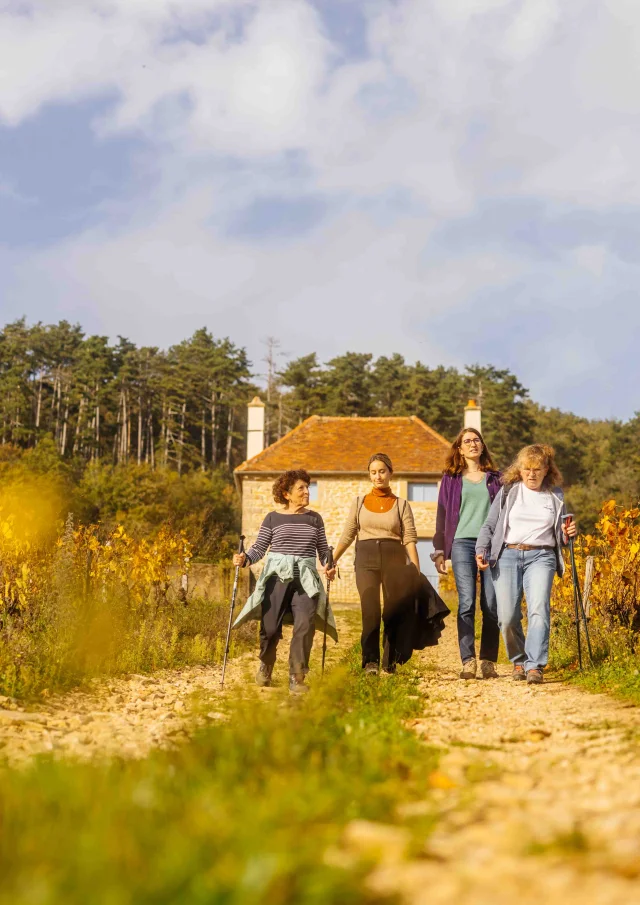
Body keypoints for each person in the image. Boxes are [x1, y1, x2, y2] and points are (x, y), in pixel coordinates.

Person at [475, 444, 577, 686]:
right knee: (507, 616)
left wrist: (569, 532)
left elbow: (563, 533)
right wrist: (481, 549)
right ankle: (518, 660)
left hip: (541, 556)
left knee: (539, 609)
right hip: (508, 555)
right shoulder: (509, 492)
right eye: (527, 469)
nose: (532, 474)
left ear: (546, 470)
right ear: (519, 470)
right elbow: (489, 526)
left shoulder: (555, 495)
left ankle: (535, 666)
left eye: (537, 469)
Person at [232, 468, 337, 695]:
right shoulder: (273, 518)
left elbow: (323, 551)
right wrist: (244, 559)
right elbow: (259, 548)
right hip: (277, 577)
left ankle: (297, 676)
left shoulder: (314, 519)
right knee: (270, 628)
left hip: (305, 579)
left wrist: (329, 566)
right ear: (287, 494)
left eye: (308, 487)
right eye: (301, 488)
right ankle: (266, 664)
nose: (306, 491)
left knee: (305, 625)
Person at [331, 453, 421, 674]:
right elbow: (348, 534)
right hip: (366, 558)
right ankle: (370, 661)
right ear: (369, 475)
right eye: (373, 472)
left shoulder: (401, 505)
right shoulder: (359, 503)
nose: (378, 476)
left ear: (390, 473)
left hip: (394, 558)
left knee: (392, 611)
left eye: (382, 471)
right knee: (370, 609)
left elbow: (409, 537)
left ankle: (389, 662)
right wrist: (331, 560)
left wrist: (416, 568)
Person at [432, 427, 502, 680]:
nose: (473, 444)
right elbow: (441, 515)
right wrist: (439, 549)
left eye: (477, 440)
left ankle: (488, 661)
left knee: (491, 604)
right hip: (461, 543)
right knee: (467, 603)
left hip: (492, 546)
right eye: (467, 441)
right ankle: (468, 660)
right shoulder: (451, 479)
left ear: (482, 446)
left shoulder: (496, 479)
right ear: (460, 449)